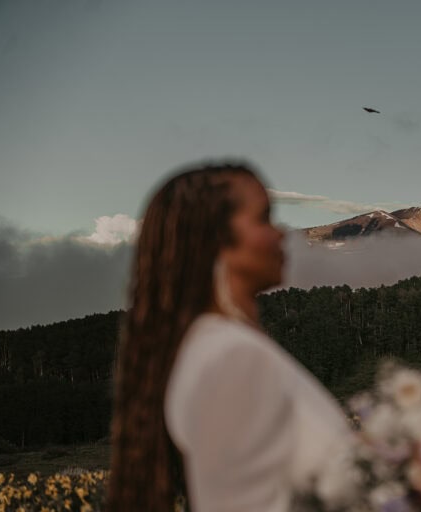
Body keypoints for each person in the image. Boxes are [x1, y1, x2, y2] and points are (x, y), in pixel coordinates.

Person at [106, 162, 351, 511]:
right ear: (215, 239)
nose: (281, 233)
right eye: (264, 218)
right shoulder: (231, 358)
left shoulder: (214, 347)